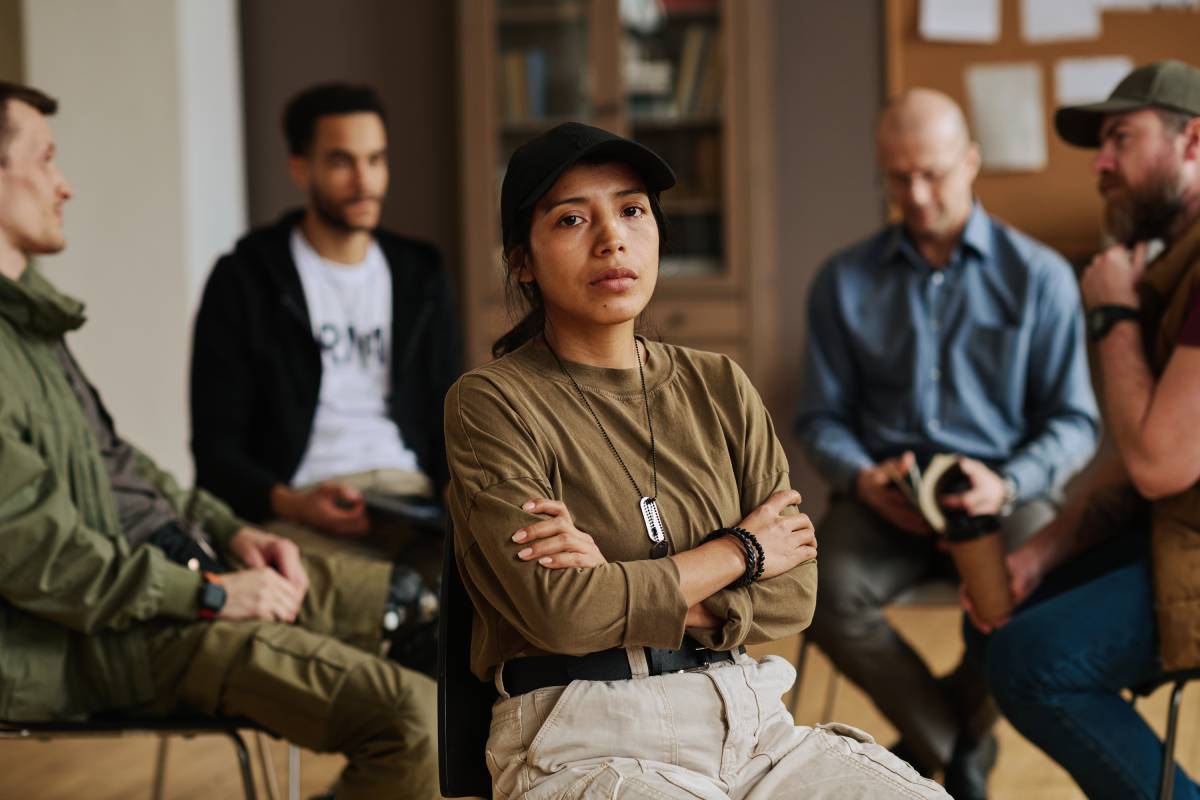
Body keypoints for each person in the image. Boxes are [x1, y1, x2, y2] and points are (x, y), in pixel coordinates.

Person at [443, 121, 948, 799]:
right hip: (580, 735)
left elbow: (796, 594)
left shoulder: (720, 386)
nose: (612, 238)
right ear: (522, 261)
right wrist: (742, 551)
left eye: (631, 210)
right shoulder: (490, 403)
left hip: (751, 723)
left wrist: (616, 585)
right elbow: (559, 613)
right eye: (570, 219)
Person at [0, 81, 438, 800]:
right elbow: (47, 562)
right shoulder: (246, 281)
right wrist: (208, 595)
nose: (66, 185)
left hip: (179, 574)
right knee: (412, 721)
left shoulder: (32, 328)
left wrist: (235, 537)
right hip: (118, 634)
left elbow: (127, 467)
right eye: (45, 159)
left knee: (430, 611)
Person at [795, 88, 1101, 798]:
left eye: (932, 172)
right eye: (898, 178)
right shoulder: (841, 282)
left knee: (1034, 593)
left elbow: (1075, 421)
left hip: (1000, 494)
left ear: (971, 161)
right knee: (812, 592)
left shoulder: (1042, 278)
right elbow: (821, 417)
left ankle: (928, 750)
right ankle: (957, 747)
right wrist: (864, 476)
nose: (917, 194)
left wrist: (1009, 483)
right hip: (884, 499)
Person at [970, 59, 1200, 800]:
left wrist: (1112, 315)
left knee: (1032, 662)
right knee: (998, 618)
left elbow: (1159, 462)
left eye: (1121, 139)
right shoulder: (1175, 266)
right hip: (1179, 527)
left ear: (1192, 142)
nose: (1100, 165)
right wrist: (1041, 552)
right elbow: (1144, 459)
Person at [190, 82, 460, 573]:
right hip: (303, 504)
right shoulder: (247, 279)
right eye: (342, 162)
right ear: (300, 168)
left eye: (376, 160)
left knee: (493, 583)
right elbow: (215, 451)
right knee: (342, 598)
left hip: (410, 496)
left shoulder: (419, 274)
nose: (365, 180)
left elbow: (449, 414)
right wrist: (292, 503)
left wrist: (456, 499)